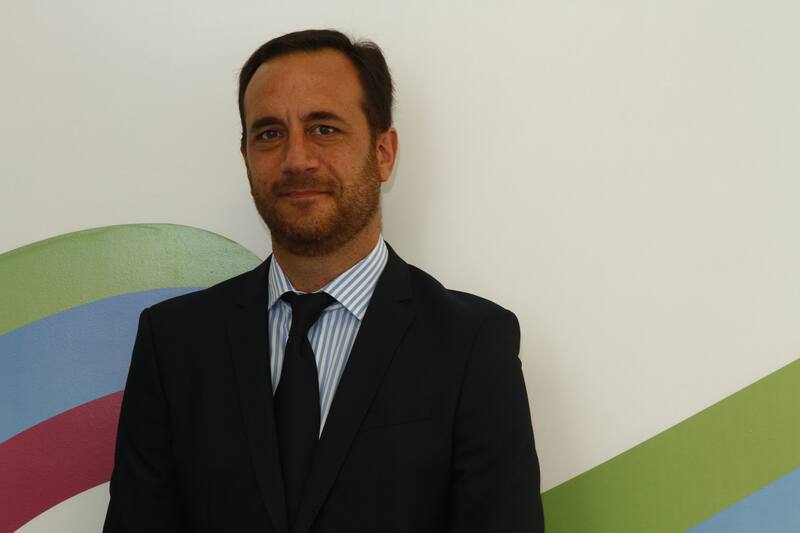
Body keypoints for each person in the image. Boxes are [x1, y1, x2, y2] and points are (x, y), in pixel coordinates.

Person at [104, 29, 545, 533]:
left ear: (383, 152)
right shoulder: (174, 344)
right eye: (270, 133)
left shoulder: (472, 344)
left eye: (324, 128)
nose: (296, 159)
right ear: (246, 158)